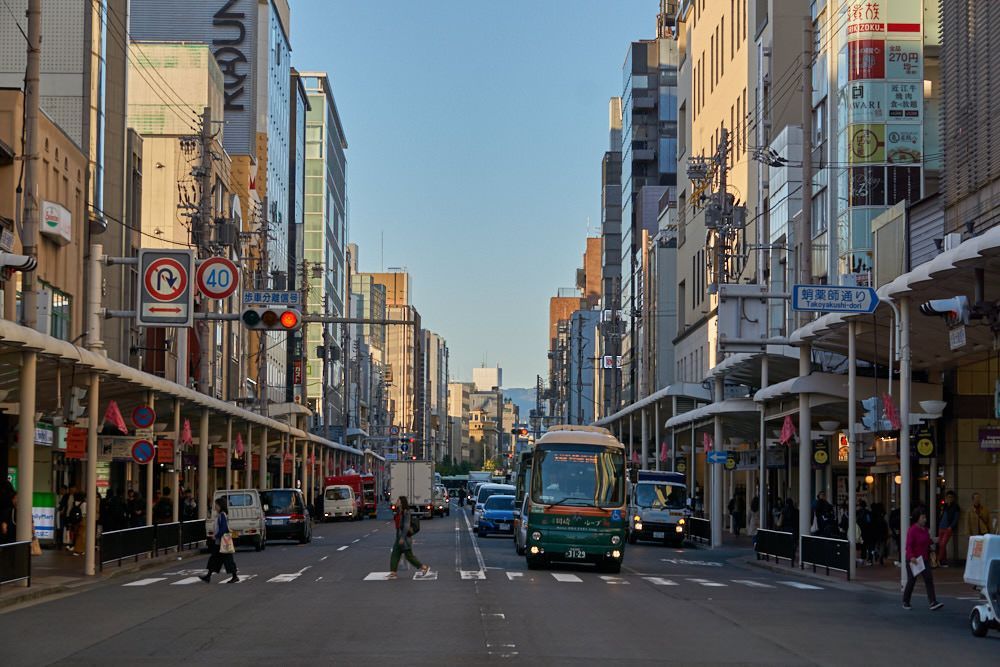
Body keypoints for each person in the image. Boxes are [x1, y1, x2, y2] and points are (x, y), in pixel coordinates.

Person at [902, 509, 943, 611]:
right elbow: (909, 545)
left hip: (923, 559)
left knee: (929, 579)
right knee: (912, 580)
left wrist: (933, 540)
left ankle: (933, 602)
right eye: (923, 518)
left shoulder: (925, 530)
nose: (925, 520)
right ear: (917, 519)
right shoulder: (912, 530)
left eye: (925, 517)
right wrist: (911, 556)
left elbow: (926, 541)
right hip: (913, 560)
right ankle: (906, 601)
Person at [388, 495, 429, 580]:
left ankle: (423, 567)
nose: (397, 502)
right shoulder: (399, 511)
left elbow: (406, 526)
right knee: (395, 553)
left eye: (398, 501)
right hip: (398, 535)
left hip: (405, 537)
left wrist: (402, 538)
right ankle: (393, 572)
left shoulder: (406, 512)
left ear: (402, 503)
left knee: (409, 556)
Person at [200, 497, 238, 583]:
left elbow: (224, 528)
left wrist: (216, 535)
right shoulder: (221, 515)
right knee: (215, 558)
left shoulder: (222, 515)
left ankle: (234, 576)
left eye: (216, 505)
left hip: (222, 541)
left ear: (221, 506)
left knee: (224, 559)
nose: (215, 507)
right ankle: (208, 576)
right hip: (221, 541)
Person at [937, 491, 960, 567]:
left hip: (948, 528)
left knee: (943, 544)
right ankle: (944, 561)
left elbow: (956, 518)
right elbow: (941, 515)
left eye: (950, 497)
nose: (949, 499)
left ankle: (938, 560)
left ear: (953, 498)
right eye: (947, 497)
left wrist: (951, 527)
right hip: (941, 527)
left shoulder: (956, 507)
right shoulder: (944, 506)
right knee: (941, 545)